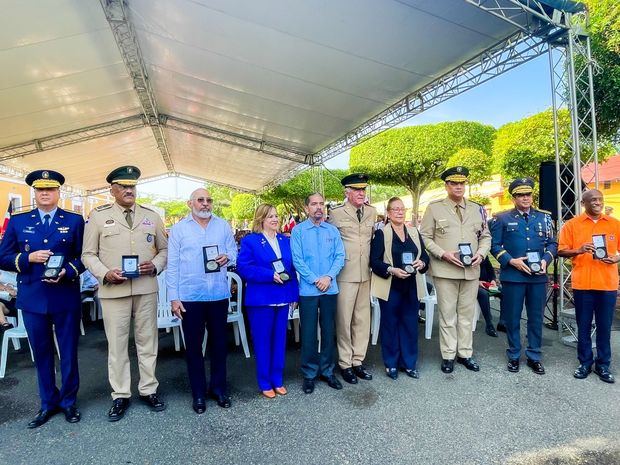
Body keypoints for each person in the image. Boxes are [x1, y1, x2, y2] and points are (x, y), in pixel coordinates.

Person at [82, 166, 168, 421]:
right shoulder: (98, 217)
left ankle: (148, 389)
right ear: (113, 190)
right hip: (113, 291)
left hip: (145, 288)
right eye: (123, 186)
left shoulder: (152, 215)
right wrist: (105, 273)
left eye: (132, 186)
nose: (129, 190)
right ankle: (120, 394)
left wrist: (156, 265)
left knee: (148, 342)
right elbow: (88, 254)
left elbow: (164, 250)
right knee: (117, 346)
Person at [0, 170, 84, 428]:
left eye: (50, 189)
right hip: (33, 297)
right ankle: (48, 403)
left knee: (68, 352)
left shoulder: (74, 220)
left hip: (64, 295)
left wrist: (66, 271)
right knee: (42, 353)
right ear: (34, 193)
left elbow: (84, 257)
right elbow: (3, 257)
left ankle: (69, 402)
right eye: (40, 190)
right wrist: (28, 258)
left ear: (59, 193)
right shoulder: (17, 221)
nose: (45, 193)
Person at [167, 188, 237, 413]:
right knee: (194, 349)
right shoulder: (178, 230)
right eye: (200, 200)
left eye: (209, 200)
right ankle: (198, 393)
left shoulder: (223, 225)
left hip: (218, 294)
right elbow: (173, 266)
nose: (205, 204)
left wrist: (228, 257)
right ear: (190, 204)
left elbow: (233, 252)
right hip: (190, 297)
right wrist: (173, 298)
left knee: (219, 346)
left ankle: (219, 389)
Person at [420, 166, 491, 374]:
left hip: (471, 270)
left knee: (467, 315)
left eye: (462, 183)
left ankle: (465, 353)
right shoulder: (434, 208)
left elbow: (485, 236)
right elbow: (425, 236)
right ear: (447, 185)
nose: (459, 187)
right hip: (445, 270)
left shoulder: (477, 208)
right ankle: (449, 355)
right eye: (454, 183)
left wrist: (482, 253)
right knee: (448, 315)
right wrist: (443, 254)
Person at [490, 178, 557, 374]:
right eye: (520, 195)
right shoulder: (501, 218)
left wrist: (546, 259)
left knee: (536, 318)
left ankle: (534, 355)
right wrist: (511, 261)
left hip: (538, 277)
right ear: (514, 198)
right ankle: (513, 355)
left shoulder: (544, 217)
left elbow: (553, 243)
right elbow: (494, 246)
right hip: (513, 277)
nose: (525, 198)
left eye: (528, 194)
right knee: (512, 318)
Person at [237, 204, 298, 398]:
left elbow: (292, 269)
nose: (274, 219)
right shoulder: (251, 241)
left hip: (282, 298)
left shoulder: (284, 240)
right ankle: (264, 382)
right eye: (270, 216)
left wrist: (294, 296)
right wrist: (269, 274)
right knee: (263, 342)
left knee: (280, 341)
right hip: (261, 300)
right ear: (261, 219)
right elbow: (244, 267)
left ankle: (277, 379)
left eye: (276, 216)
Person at [558, 189, 619, 383]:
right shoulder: (572, 225)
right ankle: (584, 363)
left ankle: (603, 365)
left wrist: (617, 257)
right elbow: (561, 251)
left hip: (607, 284)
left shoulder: (614, 224)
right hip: (583, 283)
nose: (598, 202)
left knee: (604, 327)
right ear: (583, 203)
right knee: (583, 326)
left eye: (600, 199)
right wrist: (579, 250)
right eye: (593, 199)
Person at [291, 193, 345, 394]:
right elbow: (297, 260)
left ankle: (328, 371)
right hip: (308, 290)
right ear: (307, 208)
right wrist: (315, 279)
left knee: (329, 331)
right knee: (309, 333)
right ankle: (309, 373)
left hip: (330, 288)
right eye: (314, 204)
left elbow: (340, 256)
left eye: (321, 204)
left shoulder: (332, 230)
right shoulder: (298, 231)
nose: (319, 207)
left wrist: (328, 277)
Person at [370, 197, 429, 379]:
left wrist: (422, 263)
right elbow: (374, 261)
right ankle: (391, 363)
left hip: (411, 286)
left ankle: (409, 364)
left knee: (410, 325)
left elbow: (425, 257)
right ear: (388, 213)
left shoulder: (413, 231)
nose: (400, 212)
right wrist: (391, 270)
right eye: (395, 209)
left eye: (402, 209)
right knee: (390, 325)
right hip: (391, 286)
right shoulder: (382, 234)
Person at [328, 173, 377, 384]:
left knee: (362, 320)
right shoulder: (336, 214)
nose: (361, 193)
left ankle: (358, 360)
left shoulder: (372, 212)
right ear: (346, 192)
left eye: (363, 190)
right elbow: (330, 245)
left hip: (366, 273)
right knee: (344, 320)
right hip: (344, 275)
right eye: (356, 190)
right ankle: (345, 363)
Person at [477, 256, 499, 337]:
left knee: (502, 292)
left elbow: (490, 268)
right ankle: (489, 325)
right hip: (473, 285)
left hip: (487, 285)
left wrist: (493, 279)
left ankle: (503, 322)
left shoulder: (483, 255)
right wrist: (477, 282)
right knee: (483, 294)